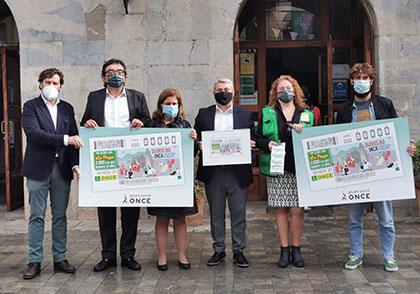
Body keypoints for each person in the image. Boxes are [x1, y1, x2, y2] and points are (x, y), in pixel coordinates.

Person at [336, 63, 416, 272]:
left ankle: (389, 255)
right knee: (354, 218)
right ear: (351, 81)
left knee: (386, 218)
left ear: (371, 81)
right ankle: (356, 254)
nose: (361, 82)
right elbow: (336, 140)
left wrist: (407, 146)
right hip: (355, 172)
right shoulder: (344, 110)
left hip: (381, 170)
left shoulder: (384, 104)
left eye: (365, 78)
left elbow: (396, 132)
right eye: (357, 78)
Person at [81, 58, 151, 272]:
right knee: (106, 212)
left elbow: (148, 122)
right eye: (110, 72)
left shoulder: (137, 97)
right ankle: (108, 256)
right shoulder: (94, 97)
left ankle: (128, 255)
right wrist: (87, 123)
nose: (115, 75)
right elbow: (84, 122)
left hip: (131, 162)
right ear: (104, 77)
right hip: (106, 163)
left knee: (131, 212)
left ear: (126, 76)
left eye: (120, 71)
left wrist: (141, 123)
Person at [21, 68, 83, 279]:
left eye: (55, 83)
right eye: (47, 82)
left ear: (60, 86)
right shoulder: (31, 107)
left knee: (60, 216)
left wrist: (75, 165)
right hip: (38, 168)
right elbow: (35, 134)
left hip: (62, 168)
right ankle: (34, 260)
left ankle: (60, 258)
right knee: (36, 216)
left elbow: (75, 138)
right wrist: (65, 139)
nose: (51, 87)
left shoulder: (67, 108)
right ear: (40, 84)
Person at [194, 78, 255, 268]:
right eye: (219, 90)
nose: (223, 92)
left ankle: (238, 251)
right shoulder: (204, 114)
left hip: (238, 173)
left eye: (227, 89)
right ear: (214, 94)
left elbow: (252, 137)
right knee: (216, 213)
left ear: (234, 92)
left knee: (238, 213)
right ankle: (219, 250)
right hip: (214, 173)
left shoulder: (245, 114)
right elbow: (195, 137)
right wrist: (198, 143)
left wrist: (251, 143)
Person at [256, 75, 314, 268]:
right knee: (281, 209)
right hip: (277, 167)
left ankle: (296, 250)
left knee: (297, 210)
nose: (285, 91)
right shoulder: (267, 113)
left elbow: (315, 140)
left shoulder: (307, 114)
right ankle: (283, 250)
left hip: (299, 168)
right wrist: (267, 144)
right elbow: (257, 138)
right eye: (281, 89)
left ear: (295, 90)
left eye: (288, 88)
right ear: (275, 93)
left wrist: (303, 131)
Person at [147, 88, 198, 271]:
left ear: (179, 105)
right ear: (161, 105)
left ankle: (182, 255)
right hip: (158, 181)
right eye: (167, 104)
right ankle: (162, 256)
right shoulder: (152, 125)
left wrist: (193, 140)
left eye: (174, 104)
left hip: (179, 181)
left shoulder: (184, 126)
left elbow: (191, 154)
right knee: (161, 218)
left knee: (180, 219)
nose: (171, 107)